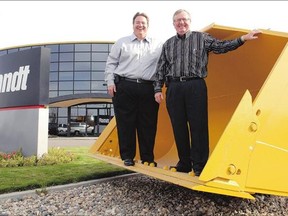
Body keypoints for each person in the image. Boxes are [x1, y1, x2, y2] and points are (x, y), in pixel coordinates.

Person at [153, 9, 262, 176]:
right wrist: (157, 89)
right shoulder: (168, 44)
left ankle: (199, 165)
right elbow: (161, 68)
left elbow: (221, 47)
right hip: (174, 88)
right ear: (173, 23)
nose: (181, 23)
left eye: (184, 20)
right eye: (177, 20)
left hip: (195, 86)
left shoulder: (201, 38)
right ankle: (184, 163)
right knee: (178, 126)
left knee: (198, 126)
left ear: (189, 21)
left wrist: (242, 39)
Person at [105, 12, 162, 167]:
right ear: (133, 24)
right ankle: (127, 156)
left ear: (147, 26)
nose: (140, 25)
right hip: (124, 87)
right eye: (137, 22)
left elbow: (162, 67)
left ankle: (148, 158)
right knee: (126, 123)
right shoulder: (121, 43)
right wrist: (110, 81)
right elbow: (111, 63)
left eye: (143, 23)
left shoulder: (158, 45)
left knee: (148, 124)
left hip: (147, 88)